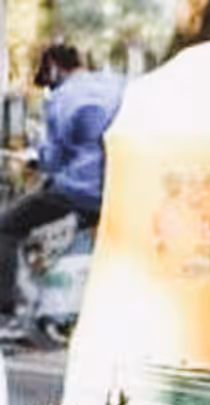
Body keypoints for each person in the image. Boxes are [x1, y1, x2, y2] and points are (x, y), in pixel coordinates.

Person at [0, 44, 124, 324]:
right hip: (119, 188)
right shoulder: (114, 84)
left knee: (6, 226)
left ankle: (5, 309)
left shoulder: (63, 97)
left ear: (54, 65)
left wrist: (36, 158)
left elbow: (54, 160)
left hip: (79, 191)